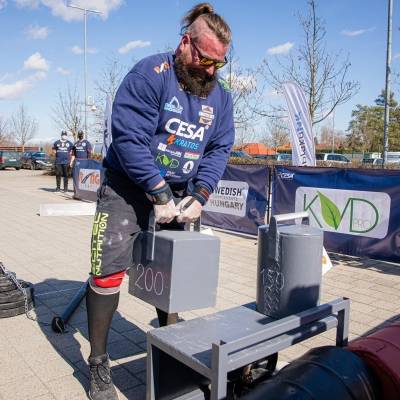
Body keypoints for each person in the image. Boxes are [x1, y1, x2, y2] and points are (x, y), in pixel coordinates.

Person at [86, 3, 235, 399]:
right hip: (127, 189)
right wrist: (157, 191)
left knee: (174, 274)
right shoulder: (149, 75)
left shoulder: (220, 98)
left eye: (218, 63)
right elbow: (129, 138)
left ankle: (172, 344)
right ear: (185, 43)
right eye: (204, 60)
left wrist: (200, 195)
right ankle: (98, 363)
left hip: (180, 195)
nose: (210, 71)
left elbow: (219, 148)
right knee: (107, 273)